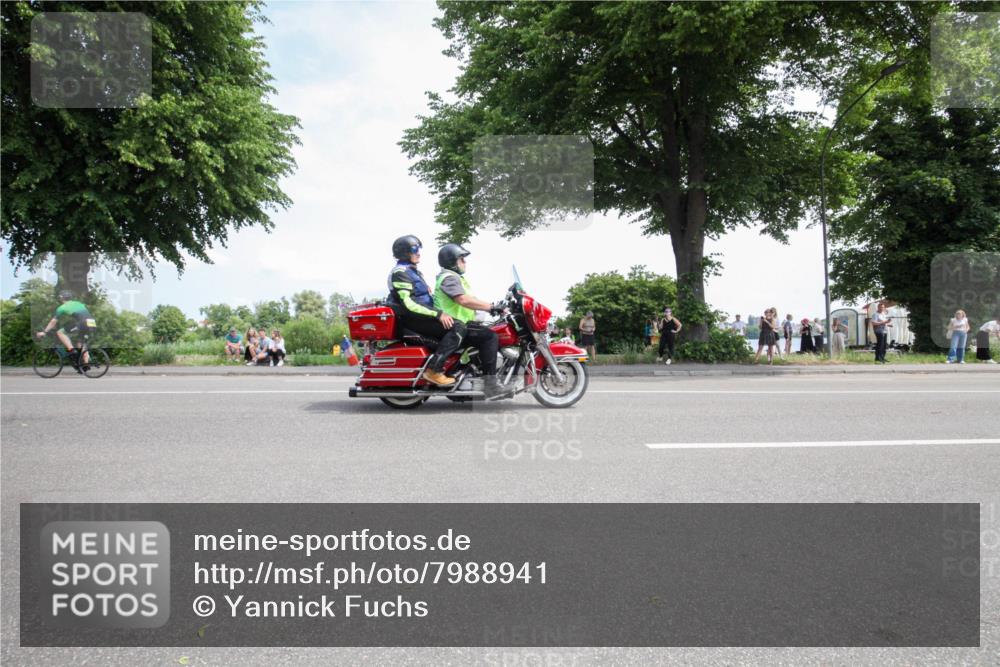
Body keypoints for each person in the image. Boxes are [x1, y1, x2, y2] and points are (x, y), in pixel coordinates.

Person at [386, 234, 464, 387]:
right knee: (458, 327)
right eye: (415, 249)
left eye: (418, 249)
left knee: (462, 326)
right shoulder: (400, 273)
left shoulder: (412, 271)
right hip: (413, 320)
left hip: (420, 318)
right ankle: (434, 370)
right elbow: (409, 304)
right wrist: (438, 314)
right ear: (404, 253)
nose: (418, 253)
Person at [433, 243, 505, 397]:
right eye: (462, 259)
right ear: (452, 262)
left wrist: (492, 306)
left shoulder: (456, 278)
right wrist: (491, 307)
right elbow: (463, 300)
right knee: (490, 337)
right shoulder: (449, 278)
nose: (465, 262)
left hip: (460, 324)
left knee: (489, 331)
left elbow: (470, 299)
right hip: (453, 326)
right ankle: (490, 384)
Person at [35, 290, 96, 371]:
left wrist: (45, 332)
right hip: (92, 323)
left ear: (61, 298)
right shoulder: (78, 303)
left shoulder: (62, 308)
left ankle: (71, 350)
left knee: (60, 332)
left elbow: (53, 322)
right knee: (80, 343)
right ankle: (85, 364)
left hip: (82, 323)